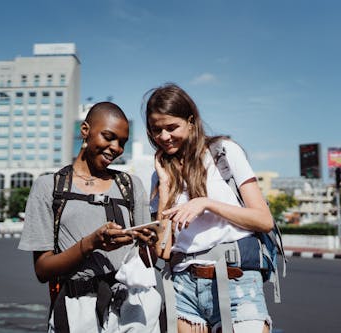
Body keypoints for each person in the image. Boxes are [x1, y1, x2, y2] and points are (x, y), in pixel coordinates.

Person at [18, 102, 161, 333]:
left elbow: (149, 261)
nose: (116, 148)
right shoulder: (49, 187)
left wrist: (148, 242)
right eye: (108, 136)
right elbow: (42, 270)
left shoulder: (131, 186)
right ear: (85, 130)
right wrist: (91, 243)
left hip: (132, 306)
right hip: (77, 309)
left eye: (122, 142)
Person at [144, 83, 274, 333]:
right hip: (182, 288)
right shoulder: (160, 174)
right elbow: (163, 251)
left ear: (191, 121)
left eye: (171, 127)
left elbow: (263, 220)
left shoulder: (224, 153)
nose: (163, 137)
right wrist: (164, 185)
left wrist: (206, 203)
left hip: (237, 280)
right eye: (156, 130)